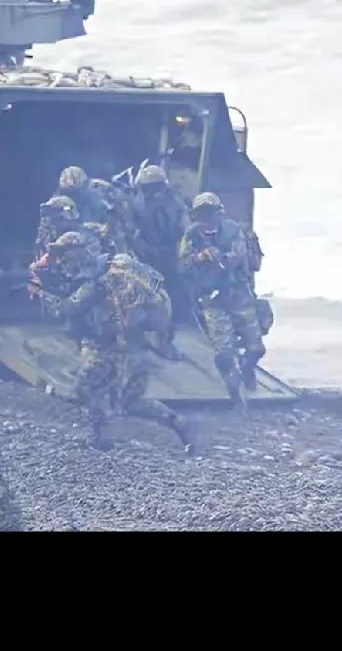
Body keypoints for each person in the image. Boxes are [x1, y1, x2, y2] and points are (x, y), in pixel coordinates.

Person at [34, 233, 195, 453]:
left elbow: (67, 308)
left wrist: (41, 291)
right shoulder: (106, 270)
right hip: (133, 346)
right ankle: (177, 422)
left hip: (108, 346)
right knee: (131, 401)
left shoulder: (93, 282)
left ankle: (101, 438)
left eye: (64, 254)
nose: (61, 259)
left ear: (78, 252)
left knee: (85, 387)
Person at [178, 193, 266, 399]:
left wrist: (221, 257)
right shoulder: (191, 235)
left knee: (256, 348)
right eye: (203, 214)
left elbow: (238, 256)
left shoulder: (233, 231)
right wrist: (200, 257)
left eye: (211, 213)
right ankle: (235, 396)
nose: (207, 218)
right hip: (212, 298)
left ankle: (247, 368)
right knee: (224, 354)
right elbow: (182, 265)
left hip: (237, 293)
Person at [129, 165, 191, 321]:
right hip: (146, 252)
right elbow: (132, 229)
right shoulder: (136, 203)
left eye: (156, 187)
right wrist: (141, 247)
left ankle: (178, 316)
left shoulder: (176, 202)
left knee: (175, 284)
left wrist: (180, 249)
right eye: (147, 188)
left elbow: (185, 228)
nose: (152, 193)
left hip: (171, 251)